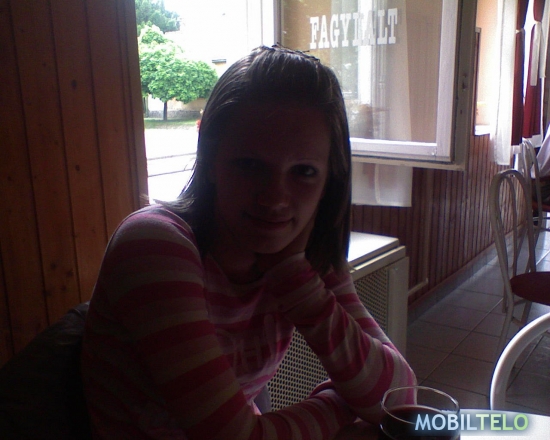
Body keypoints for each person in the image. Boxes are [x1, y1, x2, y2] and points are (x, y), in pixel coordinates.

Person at [81, 45, 416, 439]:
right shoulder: (153, 246)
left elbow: (401, 395)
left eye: (304, 171)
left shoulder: (302, 255)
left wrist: (296, 279)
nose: (274, 199)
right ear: (210, 157)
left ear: (330, 177)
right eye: (250, 165)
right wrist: (341, 404)